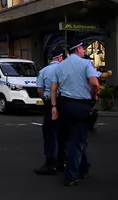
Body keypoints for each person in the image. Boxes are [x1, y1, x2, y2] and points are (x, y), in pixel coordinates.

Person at [50, 40, 101, 187]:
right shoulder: (85, 64)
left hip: (64, 106)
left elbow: (54, 88)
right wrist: (94, 95)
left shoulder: (60, 66)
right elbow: (95, 83)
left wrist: (54, 107)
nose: (84, 51)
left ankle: (84, 168)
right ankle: (71, 176)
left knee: (77, 138)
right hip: (81, 106)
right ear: (78, 49)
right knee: (77, 141)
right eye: (83, 48)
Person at [35, 49, 66, 175]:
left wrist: (46, 100)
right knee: (63, 133)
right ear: (59, 58)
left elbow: (39, 90)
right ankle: (62, 162)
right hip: (64, 102)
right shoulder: (65, 69)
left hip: (49, 103)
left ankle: (50, 163)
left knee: (50, 133)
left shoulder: (43, 71)